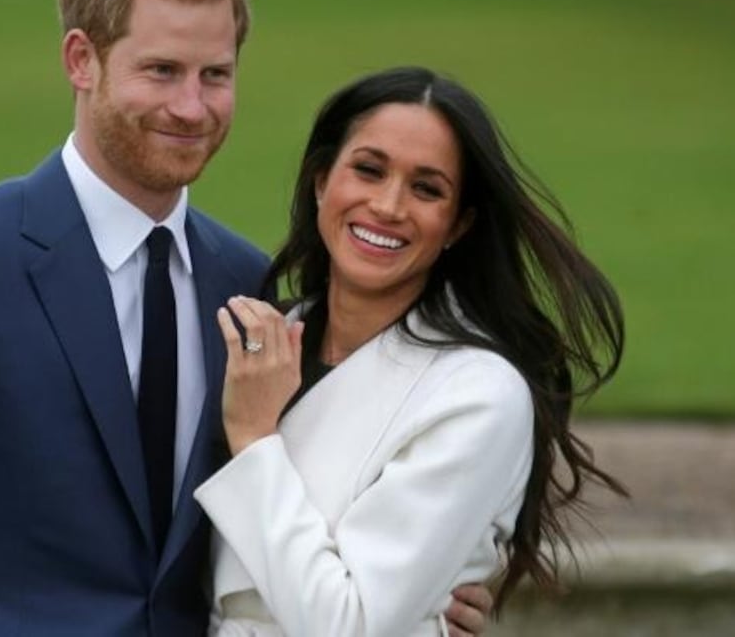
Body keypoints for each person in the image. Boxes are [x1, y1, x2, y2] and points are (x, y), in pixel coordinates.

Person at [0, 0, 489, 635]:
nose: (191, 106)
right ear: (81, 60)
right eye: (162, 71)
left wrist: (425, 595)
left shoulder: (249, 288)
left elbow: (296, 502)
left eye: (215, 74)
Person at [191, 66, 628, 635]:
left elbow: (352, 626)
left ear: (457, 224)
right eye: (368, 170)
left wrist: (254, 441)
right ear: (321, 180)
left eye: (427, 189)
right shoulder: (264, 341)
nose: (389, 206)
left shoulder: (478, 395)